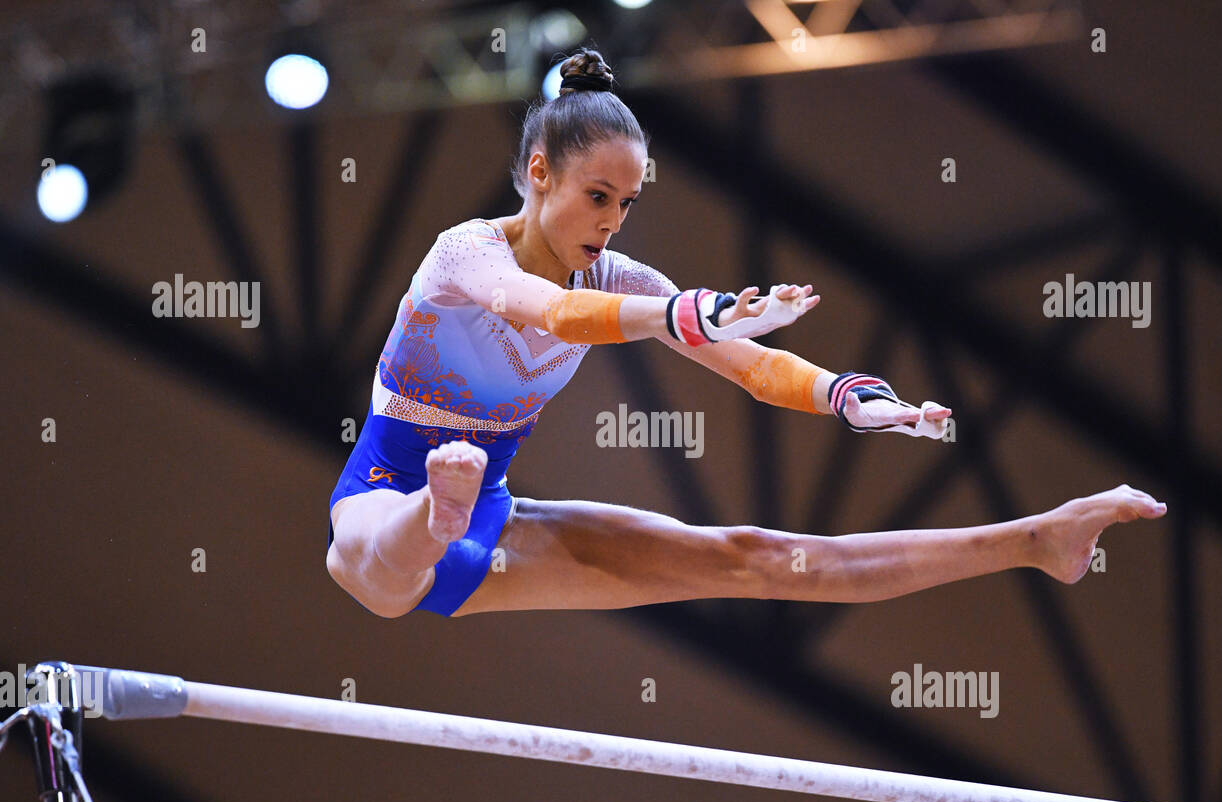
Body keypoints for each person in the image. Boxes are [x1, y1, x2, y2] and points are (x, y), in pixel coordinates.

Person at [325, 47, 1166, 620]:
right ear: (539, 174)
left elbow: (758, 371)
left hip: (496, 520)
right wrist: (682, 313)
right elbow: (544, 312)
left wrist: (847, 397)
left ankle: (1036, 539)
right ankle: (436, 514)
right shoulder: (465, 255)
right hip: (381, 493)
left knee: (760, 556)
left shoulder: (623, 281)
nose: (613, 221)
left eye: (628, 204)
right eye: (597, 196)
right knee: (381, 574)